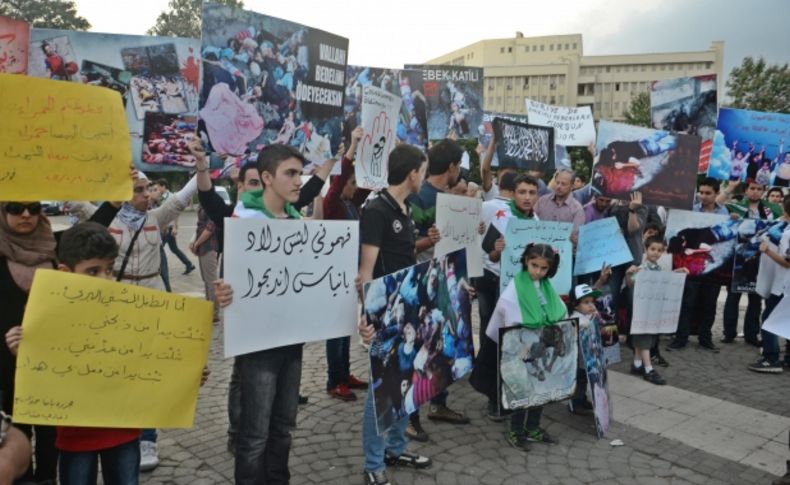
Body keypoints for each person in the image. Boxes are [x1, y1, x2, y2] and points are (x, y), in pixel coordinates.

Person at [195, 150, 334, 453]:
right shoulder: (241, 216)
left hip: (285, 333)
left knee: (280, 425)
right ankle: (237, 430)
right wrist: (203, 166)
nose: (259, 188)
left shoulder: (292, 215)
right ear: (241, 185)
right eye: (253, 182)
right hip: (251, 327)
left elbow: (309, 192)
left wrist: (338, 157)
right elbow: (207, 197)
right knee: (246, 398)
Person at [0, 198, 121, 483]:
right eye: (15, 209)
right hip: (7, 363)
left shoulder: (55, 248)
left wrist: (113, 203)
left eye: (34, 207)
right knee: (14, 433)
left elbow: (91, 231)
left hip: (52, 363)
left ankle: (46, 478)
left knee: (49, 433)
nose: (26, 214)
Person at [225, 143, 314, 484]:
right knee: (255, 434)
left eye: (300, 174)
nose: (298, 181)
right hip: (258, 344)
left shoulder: (297, 220)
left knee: (284, 428)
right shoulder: (244, 218)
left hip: (291, 340)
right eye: (290, 173)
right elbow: (231, 278)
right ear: (266, 177)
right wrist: (224, 290)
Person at [108, 170, 198, 472]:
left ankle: (148, 438)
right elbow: (75, 197)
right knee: (119, 369)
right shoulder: (107, 217)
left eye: (148, 189)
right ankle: (120, 431)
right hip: (117, 302)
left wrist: (202, 165)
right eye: (138, 190)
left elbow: (183, 198)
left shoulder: (155, 217)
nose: (146, 195)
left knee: (147, 371)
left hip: (152, 299)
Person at [356, 144, 432, 485]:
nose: (425, 178)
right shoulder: (376, 209)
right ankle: (374, 464)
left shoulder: (406, 207)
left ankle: (395, 448)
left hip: (411, 309)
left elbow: (404, 256)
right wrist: (367, 317)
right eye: (424, 171)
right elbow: (366, 271)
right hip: (385, 314)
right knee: (381, 391)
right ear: (413, 173)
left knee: (408, 381)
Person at [406, 138, 469, 441]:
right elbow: (409, 245)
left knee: (444, 349)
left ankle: (438, 404)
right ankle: (409, 416)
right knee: (419, 351)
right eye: (460, 165)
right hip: (423, 284)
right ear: (453, 166)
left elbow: (459, 245)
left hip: (449, 283)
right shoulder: (419, 197)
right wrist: (429, 241)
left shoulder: (451, 197)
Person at [471, 174, 539, 420]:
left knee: (516, 344)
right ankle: (493, 396)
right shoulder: (500, 214)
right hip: (493, 284)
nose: (527, 197)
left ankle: (513, 394)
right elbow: (490, 254)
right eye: (522, 192)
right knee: (495, 340)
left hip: (521, 292)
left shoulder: (538, 222)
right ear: (514, 193)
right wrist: (495, 250)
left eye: (532, 193)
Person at [486, 244, 564, 451]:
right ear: (525, 262)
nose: (538, 272)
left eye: (543, 268)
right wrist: (518, 346)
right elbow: (508, 320)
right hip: (520, 349)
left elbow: (558, 312)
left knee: (540, 389)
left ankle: (533, 428)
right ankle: (516, 431)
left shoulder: (547, 287)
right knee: (521, 391)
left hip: (540, 348)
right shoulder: (515, 288)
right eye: (534, 265)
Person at [322, 127, 370, 401]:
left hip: (351, 275)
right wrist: (352, 148)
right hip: (334, 274)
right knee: (335, 329)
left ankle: (344, 374)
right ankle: (333, 380)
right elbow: (340, 180)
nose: (354, 187)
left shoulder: (353, 204)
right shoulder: (334, 205)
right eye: (351, 183)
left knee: (346, 327)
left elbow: (370, 182)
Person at [717, 180, 781, 345]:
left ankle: (751, 335)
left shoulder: (772, 209)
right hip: (737, 259)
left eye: (759, 189)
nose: (755, 192)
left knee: (755, 299)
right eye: (752, 188)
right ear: (746, 190)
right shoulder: (735, 206)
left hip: (763, 260)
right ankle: (728, 333)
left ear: (763, 191)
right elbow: (717, 205)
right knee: (733, 297)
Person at [668, 179, 728, 351]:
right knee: (687, 303)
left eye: (708, 193)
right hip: (691, 266)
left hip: (712, 267)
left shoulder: (724, 211)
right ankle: (681, 338)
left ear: (716, 194)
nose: (703, 196)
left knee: (710, 304)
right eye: (701, 192)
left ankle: (705, 338)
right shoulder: (692, 211)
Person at [625, 236, 688, 385]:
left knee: (645, 337)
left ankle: (637, 364)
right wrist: (629, 274)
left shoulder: (658, 268)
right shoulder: (642, 268)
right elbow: (630, 283)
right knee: (645, 338)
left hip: (651, 310)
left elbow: (665, 280)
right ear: (646, 250)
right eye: (653, 249)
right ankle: (648, 369)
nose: (656, 253)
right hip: (642, 310)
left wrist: (678, 272)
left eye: (660, 250)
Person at [748, 195, 790, 373]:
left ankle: (771, 359)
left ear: (784, 209)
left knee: (768, 320)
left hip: (783, 286)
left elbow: (787, 262)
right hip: (784, 285)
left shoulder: (788, 233)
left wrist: (767, 251)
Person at [568, 283, 604, 416]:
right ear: (576, 304)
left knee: (585, 378)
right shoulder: (575, 318)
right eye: (586, 302)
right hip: (578, 358)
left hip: (588, 356)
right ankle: (574, 404)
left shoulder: (589, 315)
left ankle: (582, 398)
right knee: (578, 379)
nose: (591, 305)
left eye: (592, 302)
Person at [155, 179, 196, 277]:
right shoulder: (162, 197)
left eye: (158, 187)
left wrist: (174, 227)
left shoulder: (170, 197)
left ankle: (160, 271)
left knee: (158, 249)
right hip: (166, 227)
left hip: (167, 228)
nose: (157, 189)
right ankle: (189, 264)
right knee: (174, 249)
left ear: (163, 186)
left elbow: (175, 214)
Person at [535, 168, 585, 245]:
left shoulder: (577, 209)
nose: (558, 186)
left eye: (563, 184)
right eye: (557, 182)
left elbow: (575, 239)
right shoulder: (542, 201)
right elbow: (531, 224)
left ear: (572, 186)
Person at [190, 208, 220, 323]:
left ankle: (214, 314)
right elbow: (200, 227)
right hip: (203, 247)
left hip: (209, 247)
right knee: (207, 281)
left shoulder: (211, 206)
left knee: (211, 281)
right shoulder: (203, 204)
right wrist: (194, 242)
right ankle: (209, 310)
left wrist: (196, 243)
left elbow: (209, 229)